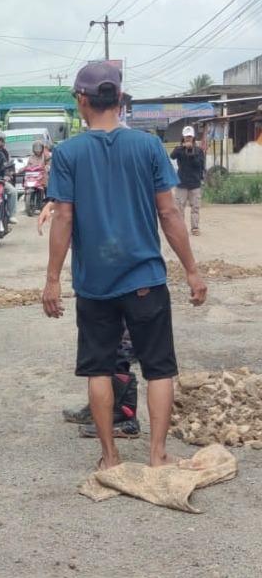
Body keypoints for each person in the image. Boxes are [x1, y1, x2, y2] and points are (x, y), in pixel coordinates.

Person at [42, 61, 207, 470]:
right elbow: (169, 214)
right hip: (145, 279)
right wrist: (191, 269)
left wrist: (51, 281)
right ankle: (157, 455)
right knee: (159, 368)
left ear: (83, 100)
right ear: (118, 98)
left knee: (98, 367)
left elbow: (63, 218)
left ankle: (110, 458)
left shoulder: (67, 153)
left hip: (95, 283)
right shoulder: (149, 146)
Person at [38, 201, 141, 439]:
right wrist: (55, 203)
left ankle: (123, 415)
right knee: (98, 341)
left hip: (114, 254)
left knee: (117, 339)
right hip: (93, 257)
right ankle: (100, 407)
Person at [171, 126, 206, 236]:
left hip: (195, 184)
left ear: (193, 137)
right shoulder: (179, 149)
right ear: (183, 137)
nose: (188, 139)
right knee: (179, 208)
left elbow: (199, 165)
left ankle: (195, 228)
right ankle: (181, 229)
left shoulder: (199, 151)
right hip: (181, 184)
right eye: (186, 137)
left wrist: (192, 152)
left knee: (195, 207)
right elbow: (172, 156)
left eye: (190, 136)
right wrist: (182, 148)